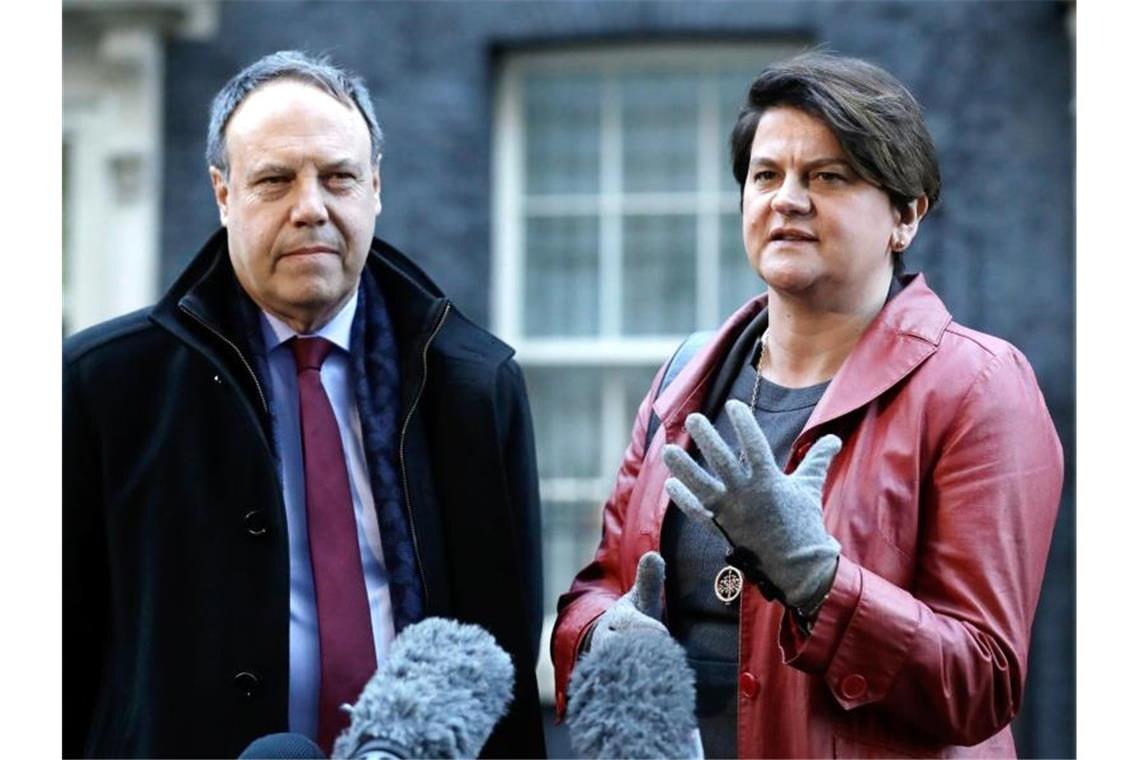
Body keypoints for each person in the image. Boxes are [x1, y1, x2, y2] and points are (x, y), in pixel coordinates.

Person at [552, 52, 1063, 758]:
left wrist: (817, 578)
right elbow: (597, 587)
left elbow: (983, 682)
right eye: (767, 175)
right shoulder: (684, 377)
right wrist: (602, 633)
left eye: (829, 176)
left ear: (905, 215)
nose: (786, 199)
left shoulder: (976, 386)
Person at [63, 51, 545, 758]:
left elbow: (502, 656)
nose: (311, 207)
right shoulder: (103, 387)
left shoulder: (476, 388)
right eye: (275, 180)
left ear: (375, 188)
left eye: (339, 177)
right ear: (223, 194)